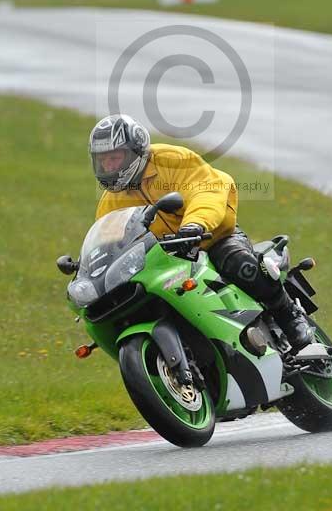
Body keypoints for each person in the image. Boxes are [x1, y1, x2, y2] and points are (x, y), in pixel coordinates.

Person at [90, 114, 313, 351]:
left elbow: (206, 191)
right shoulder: (109, 202)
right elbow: (110, 241)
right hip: (163, 260)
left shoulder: (172, 160)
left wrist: (196, 224)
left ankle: (289, 314)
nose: (110, 166)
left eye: (115, 157)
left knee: (240, 264)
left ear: (135, 150)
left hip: (209, 236)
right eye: (103, 161)